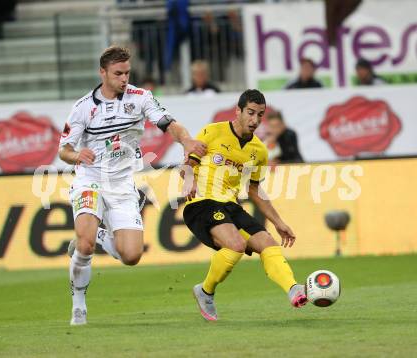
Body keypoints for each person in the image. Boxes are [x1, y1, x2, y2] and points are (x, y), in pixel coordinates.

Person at [59, 45, 206, 326]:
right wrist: (77, 154)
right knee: (85, 244)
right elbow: (63, 150)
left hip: (123, 183)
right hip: (90, 179)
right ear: (102, 72)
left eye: (127, 72)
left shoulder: (140, 98)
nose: (124, 78)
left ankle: (98, 237)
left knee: (131, 255)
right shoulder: (82, 108)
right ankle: (79, 304)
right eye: (118, 73)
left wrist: (185, 140)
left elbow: (168, 123)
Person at [182, 89, 307, 321]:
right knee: (236, 245)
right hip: (201, 203)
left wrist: (278, 222)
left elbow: (254, 189)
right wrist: (189, 179)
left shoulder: (259, 150)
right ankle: (206, 291)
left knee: (268, 243)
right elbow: (188, 163)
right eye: (250, 113)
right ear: (238, 111)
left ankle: (293, 288)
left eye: (260, 115)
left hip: (230, 205)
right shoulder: (213, 131)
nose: (255, 120)